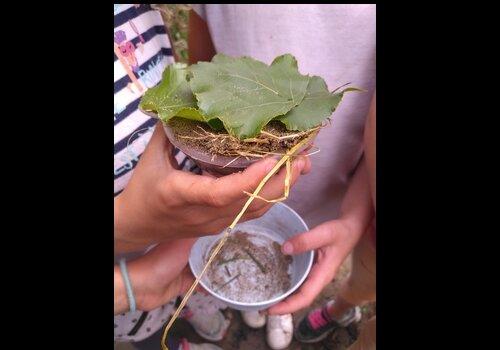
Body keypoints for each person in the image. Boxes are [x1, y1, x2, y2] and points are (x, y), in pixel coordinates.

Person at [114, 4, 310, 349]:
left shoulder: (135, 12)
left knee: (199, 282)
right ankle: (185, 332)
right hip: (127, 283)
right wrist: (128, 232)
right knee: (152, 323)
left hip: (181, 240)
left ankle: (215, 314)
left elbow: (177, 76)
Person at [188, 4, 375, 349]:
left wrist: (354, 217)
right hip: (235, 189)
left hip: (326, 189)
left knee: (294, 254)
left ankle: (277, 307)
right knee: (244, 236)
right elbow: (200, 69)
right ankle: (256, 304)